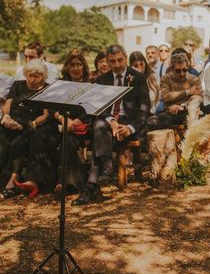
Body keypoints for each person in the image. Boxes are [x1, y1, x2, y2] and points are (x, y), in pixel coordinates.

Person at [73, 45, 150, 205]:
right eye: (112, 61)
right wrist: (113, 122)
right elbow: (99, 107)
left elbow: (144, 110)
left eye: (120, 60)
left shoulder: (138, 77)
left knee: (98, 130)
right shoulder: (103, 79)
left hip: (130, 125)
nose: (117, 65)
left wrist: (129, 128)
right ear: (107, 61)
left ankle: (93, 183)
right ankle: (104, 171)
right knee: (100, 124)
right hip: (109, 122)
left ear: (125, 57)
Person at [0, 60, 57, 198]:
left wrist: (30, 124)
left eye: (36, 76)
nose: (32, 79)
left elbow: (45, 115)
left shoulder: (47, 89)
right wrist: (6, 118)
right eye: (29, 75)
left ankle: (11, 181)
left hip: (30, 125)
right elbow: (7, 105)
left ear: (43, 77)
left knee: (18, 143)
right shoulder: (18, 85)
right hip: (11, 121)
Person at [56, 49, 92, 193]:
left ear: (84, 67)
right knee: (43, 138)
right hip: (61, 124)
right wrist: (63, 119)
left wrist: (75, 121)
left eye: (79, 65)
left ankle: (62, 182)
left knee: (68, 140)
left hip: (82, 127)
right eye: (72, 65)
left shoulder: (90, 85)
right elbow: (53, 108)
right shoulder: (60, 84)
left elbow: (91, 110)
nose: (76, 68)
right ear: (67, 67)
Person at [148, 53, 202, 129]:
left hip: (188, 112)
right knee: (151, 122)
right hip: (169, 112)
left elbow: (198, 98)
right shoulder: (165, 79)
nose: (182, 73)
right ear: (172, 69)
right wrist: (187, 92)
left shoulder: (194, 79)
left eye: (184, 70)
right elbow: (166, 96)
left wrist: (183, 106)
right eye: (178, 71)